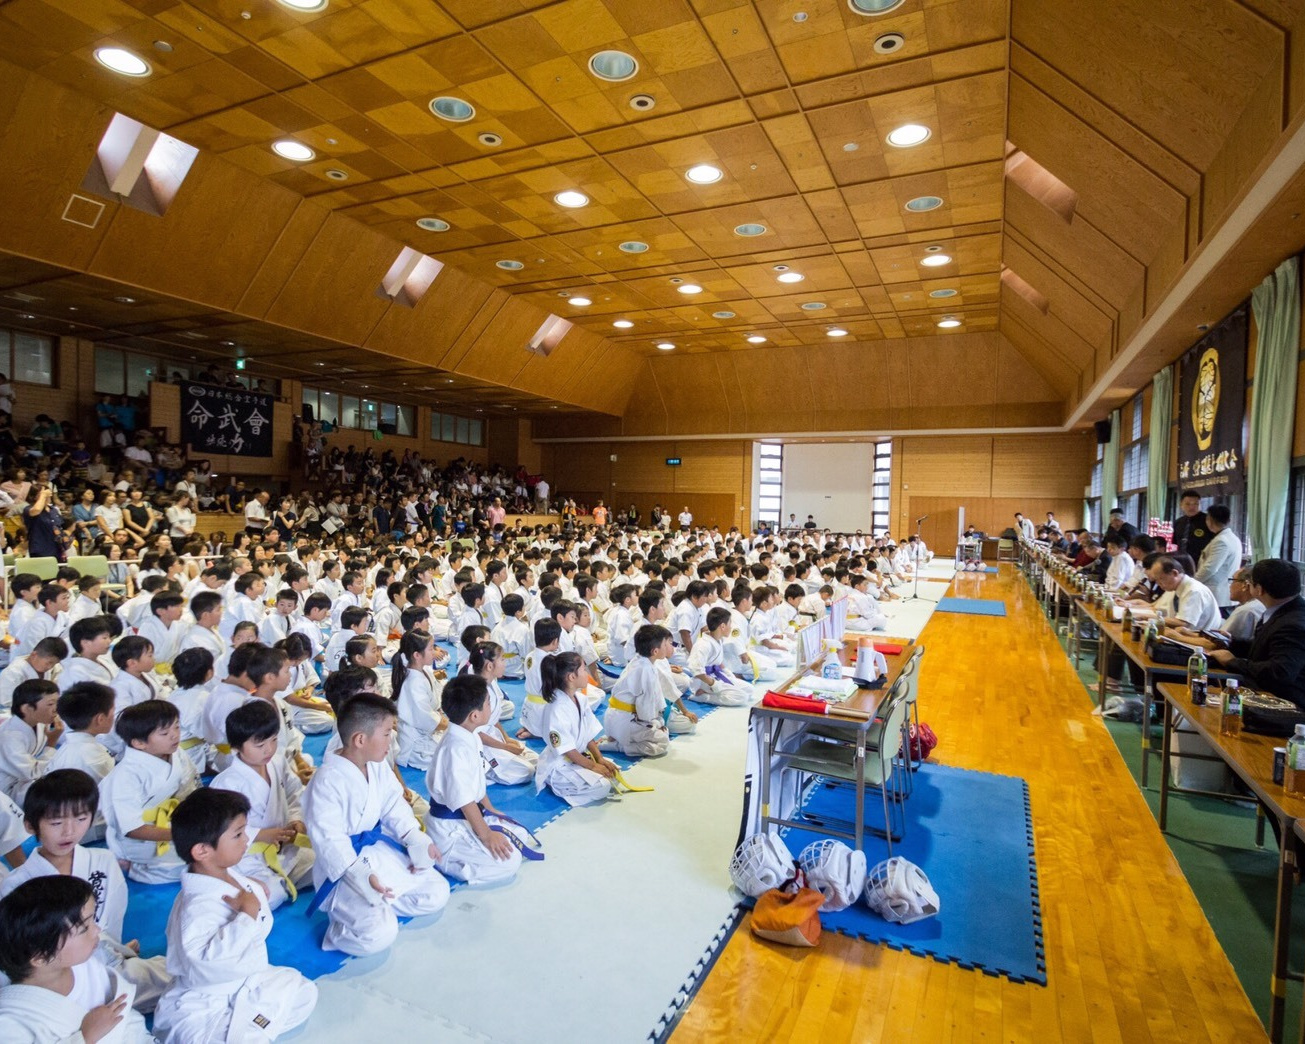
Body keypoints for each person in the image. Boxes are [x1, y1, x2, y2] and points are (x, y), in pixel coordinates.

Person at [152, 787, 318, 1043]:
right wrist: (246, 916)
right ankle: (249, 1028)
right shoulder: (195, 906)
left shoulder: (228, 874)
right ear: (202, 851)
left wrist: (253, 889)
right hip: (206, 999)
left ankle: (250, 1025)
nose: (246, 840)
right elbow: (208, 962)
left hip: (245, 980)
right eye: (238, 834)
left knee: (305, 992)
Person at [1, 770, 171, 1012]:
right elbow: (21, 954)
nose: (69, 832)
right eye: (56, 823)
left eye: (81, 819)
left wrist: (116, 949)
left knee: (179, 977)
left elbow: (112, 919)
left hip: (106, 960)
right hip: (57, 980)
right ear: (30, 825)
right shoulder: (17, 886)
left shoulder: (103, 861)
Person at [301, 692, 449, 956]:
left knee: (437, 892)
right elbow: (329, 839)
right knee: (378, 936)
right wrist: (361, 874)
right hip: (346, 866)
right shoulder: (326, 781)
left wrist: (414, 838)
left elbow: (393, 804)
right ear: (360, 739)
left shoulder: (376, 765)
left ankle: (380, 905)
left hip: (377, 852)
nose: (392, 740)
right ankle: (341, 929)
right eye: (387, 733)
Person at [0, 876, 153, 1043]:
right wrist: (85, 1037)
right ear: (41, 957)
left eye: (93, 921)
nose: (97, 930)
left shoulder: (83, 965)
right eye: (85, 928)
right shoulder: (12, 1021)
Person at [424, 674, 529, 886]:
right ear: (474, 715)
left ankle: (475, 844)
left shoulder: (470, 735)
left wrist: (492, 811)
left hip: (469, 813)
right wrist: (486, 835)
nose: (491, 707)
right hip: (448, 825)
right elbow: (464, 801)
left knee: (519, 834)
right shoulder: (455, 748)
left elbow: (477, 786)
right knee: (509, 863)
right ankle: (446, 859)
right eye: (488, 703)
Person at [210, 700, 314, 910]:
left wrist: (297, 820)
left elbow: (294, 793)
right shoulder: (226, 783)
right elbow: (219, 832)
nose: (269, 749)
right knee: (271, 894)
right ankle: (267, 885)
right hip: (248, 857)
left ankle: (280, 881)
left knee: (326, 862)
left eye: (273, 740)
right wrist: (260, 835)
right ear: (236, 747)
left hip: (285, 848)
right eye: (259, 745)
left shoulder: (277, 762)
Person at [100, 700, 199, 884]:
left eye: (177, 727)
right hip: (139, 839)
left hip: (172, 822)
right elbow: (132, 829)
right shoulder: (126, 775)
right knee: (197, 863)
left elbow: (190, 788)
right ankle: (135, 867)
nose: (175, 735)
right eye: (164, 733)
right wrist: (181, 835)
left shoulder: (176, 753)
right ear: (139, 743)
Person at [1210, 558, 1305, 699]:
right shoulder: (1281, 610)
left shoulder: (1293, 624)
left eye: (1250, 583)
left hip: (1283, 700)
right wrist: (1231, 642)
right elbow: (1266, 648)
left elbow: (1280, 672)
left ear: (1259, 589)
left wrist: (1233, 662)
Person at [534, 651, 614, 807]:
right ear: (571, 677)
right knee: (603, 786)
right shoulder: (556, 708)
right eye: (584, 669)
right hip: (560, 765)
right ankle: (555, 784)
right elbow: (566, 749)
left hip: (578, 757)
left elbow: (588, 733)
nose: (587, 674)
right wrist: (592, 766)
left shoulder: (580, 699)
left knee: (612, 772)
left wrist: (599, 758)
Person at [467, 640, 535, 784]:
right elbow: (476, 733)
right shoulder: (477, 692)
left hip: (494, 736)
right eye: (502, 659)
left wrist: (507, 738)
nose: (505, 663)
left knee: (536, 761)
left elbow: (494, 718)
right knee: (526, 771)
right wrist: (505, 747)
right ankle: (485, 768)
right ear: (489, 666)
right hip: (481, 743)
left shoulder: (491, 683)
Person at [0, 678, 62, 803]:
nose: (56, 709)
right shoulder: (10, 736)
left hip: (23, 779)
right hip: (8, 790)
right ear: (27, 708)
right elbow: (32, 773)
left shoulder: (39, 723)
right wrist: (51, 744)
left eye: (57, 703)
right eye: (50, 704)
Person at [392, 630, 446, 769]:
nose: (434, 652)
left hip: (429, 729)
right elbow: (427, 719)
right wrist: (453, 726)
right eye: (431, 649)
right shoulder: (413, 683)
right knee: (454, 755)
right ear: (416, 655)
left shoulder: (424, 670)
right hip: (416, 744)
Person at [686, 606, 755, 706]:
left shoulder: (718, 639)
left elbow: (718, 662)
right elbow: (695, 670)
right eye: (730, 623)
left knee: (750, 690)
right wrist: (713, 683)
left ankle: (713, 692)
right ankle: (703, 697)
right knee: (742, 697)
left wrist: (727, 672)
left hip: (717, 676)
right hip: (704, 681)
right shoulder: (703, 644)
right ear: (722, 626)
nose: (731, 627)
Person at [1147, 555, 1221, 631]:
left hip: (1199, 636)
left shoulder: (1194, 590)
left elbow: (1184, 623)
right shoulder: (1178, 587)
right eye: (1156, 580)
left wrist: (1150, 618)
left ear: (1175, 573)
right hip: (1186, 633)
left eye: (1161, 579)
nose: (1158, 583)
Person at [1195, 504, 1241, 608]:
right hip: (1222, 592)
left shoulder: (1221, 541)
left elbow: (1209, 568)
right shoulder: (1231, 537)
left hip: (1218, 594)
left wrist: (1193, 582)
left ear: (1209, 520)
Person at [1172, 488, 1214, 562]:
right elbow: (1176, 543)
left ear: (1200, 505)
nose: (1191, 507)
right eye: (1188, 504)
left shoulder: (1209, 521)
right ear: (1181, 505)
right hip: (1181, 562)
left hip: (1202, 562)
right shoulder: (1178, 522)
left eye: (1195, 504)